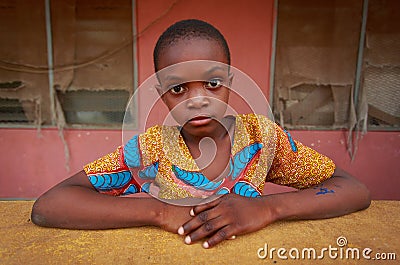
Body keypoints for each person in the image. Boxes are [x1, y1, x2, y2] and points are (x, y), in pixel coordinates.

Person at [31, 19, 370, 249]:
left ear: (230, 83)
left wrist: (268, 210)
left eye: (212, 83)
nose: (197, 100)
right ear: (162, 93)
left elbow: (352, 189)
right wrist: (161, 212)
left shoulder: (261, 140)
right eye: (178, 88)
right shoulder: (151, 150)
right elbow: (49, 206)